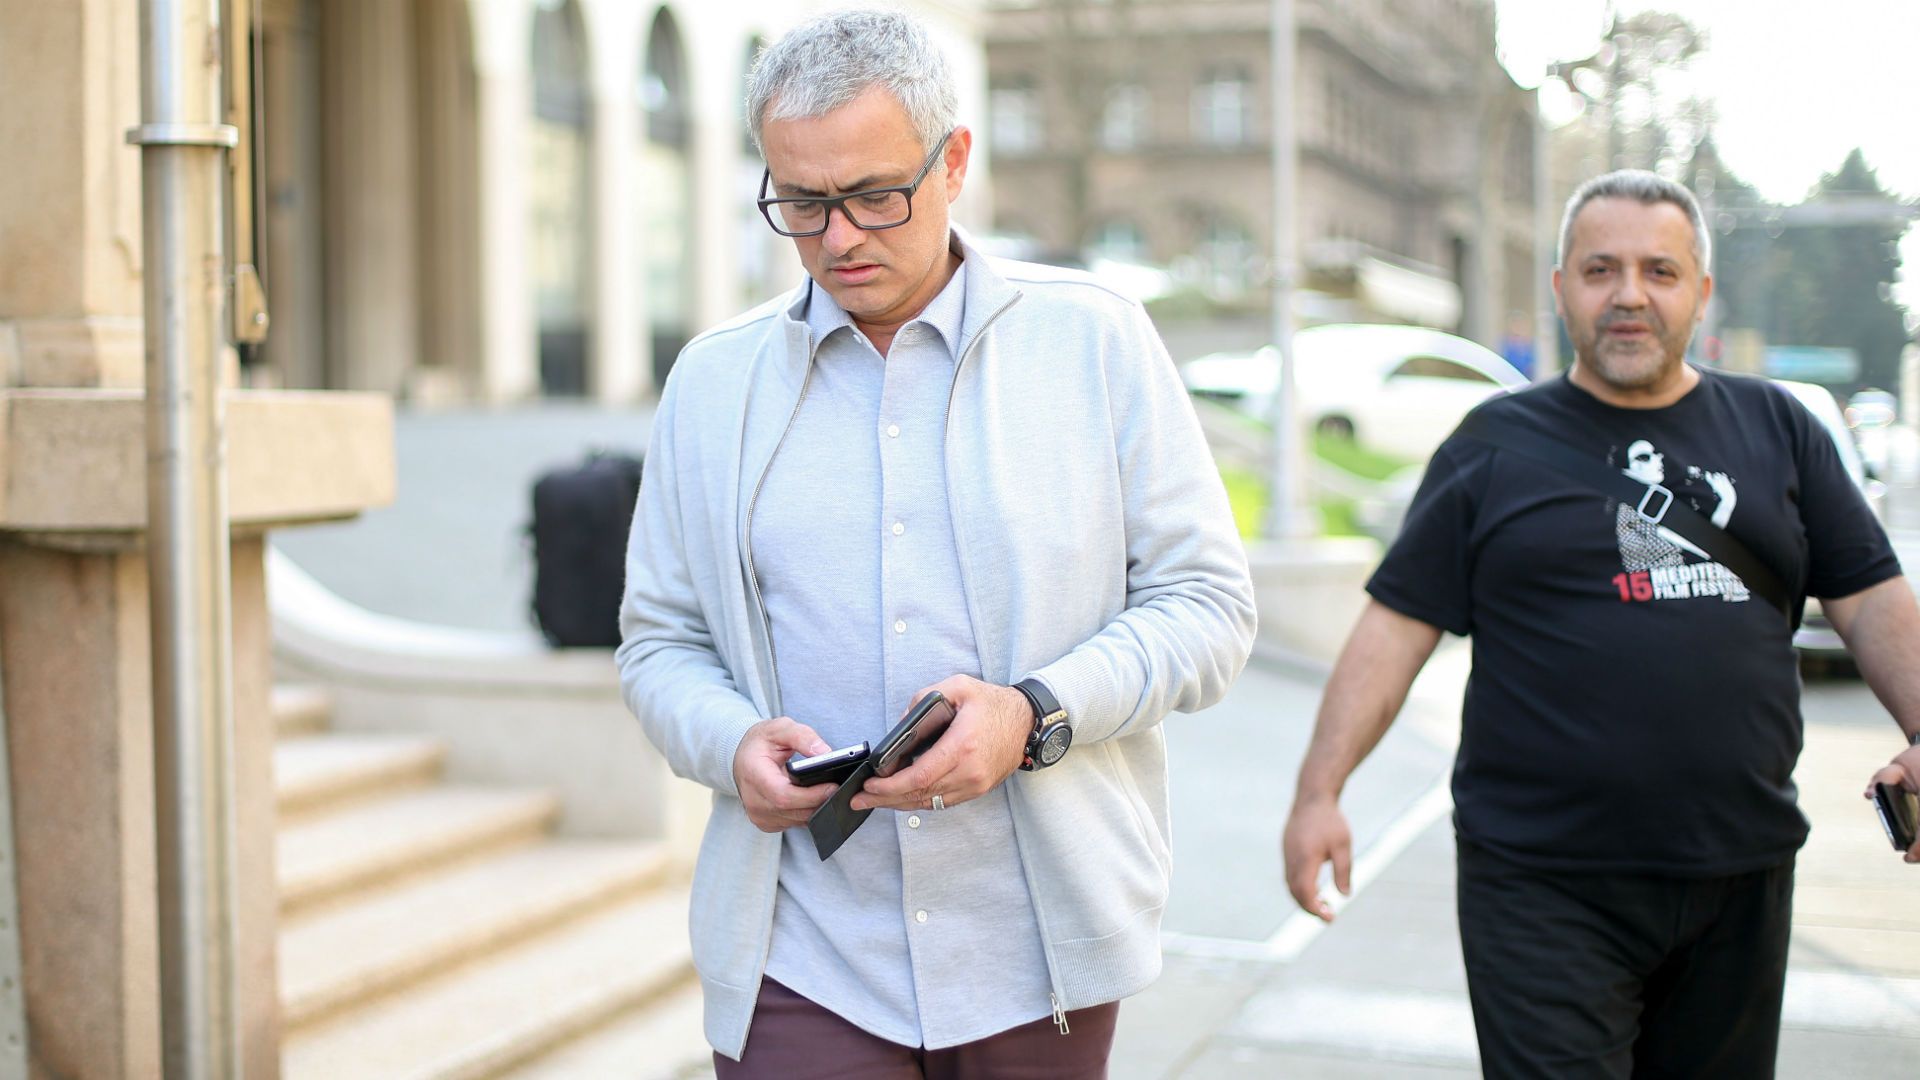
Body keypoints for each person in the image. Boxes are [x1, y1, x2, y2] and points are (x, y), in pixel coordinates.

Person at [615, 10, 1256, 1077]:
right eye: (802, 202)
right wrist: (728, 740)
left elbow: (1208, 607)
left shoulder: (1095, 341)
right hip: (803, 950)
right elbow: (658, 642)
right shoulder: (711, 382)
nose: (839, 239)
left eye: (874, 195)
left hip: (1039, 952)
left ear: (954, 160)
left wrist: (1036, 713)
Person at [1280, 169, 1920, 1078]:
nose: (1628, 294)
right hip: (1540, 884)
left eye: (1659, 271)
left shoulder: (1780, 430)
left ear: (1701, 291)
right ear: (1560, 290)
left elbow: (1870, 597)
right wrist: (1319, 794)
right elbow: (1393, 632)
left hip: (1739, 873)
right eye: (1600, 269)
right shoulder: (1490, 448)